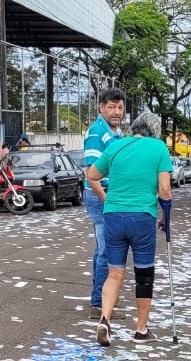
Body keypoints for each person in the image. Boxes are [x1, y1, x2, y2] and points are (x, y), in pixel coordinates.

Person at [84, 111, 174, 346]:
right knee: (144, 275)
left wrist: (106, 194)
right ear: (154, 130)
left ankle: (104, 319)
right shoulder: (159, 148)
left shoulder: (116, 146)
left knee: (115, 273)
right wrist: (166, 215)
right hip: (142, 217)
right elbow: (165, 190)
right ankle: (141, 330)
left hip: (113, 215)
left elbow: (92, 174)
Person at [82, 88, 127, 319]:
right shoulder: (97, 132)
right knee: (106, 251)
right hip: (100, 195)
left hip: (112, 195)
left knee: (107, 250)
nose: (116, 112)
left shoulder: (117, 133)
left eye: (119, 107)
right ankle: (99, 305)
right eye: (111, 107)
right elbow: (91, 173)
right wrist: (107, 201)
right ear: (101, 108)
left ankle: (103, 302)